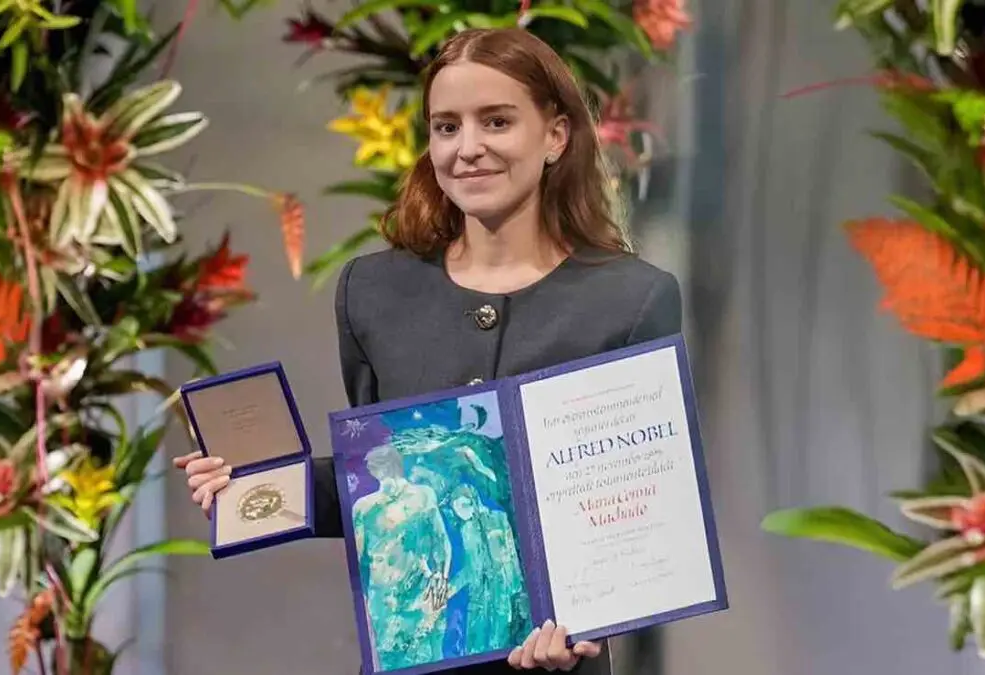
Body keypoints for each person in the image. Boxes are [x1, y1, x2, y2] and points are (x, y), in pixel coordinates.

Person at [173, 26, 682, 674]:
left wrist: (593, 624)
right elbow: (387, 472)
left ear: (555, 135)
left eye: (496, 121)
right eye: (446, 127)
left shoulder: (632, 299)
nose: (468, 148)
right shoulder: (372, 292)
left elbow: (642, 509)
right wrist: (254, 486)